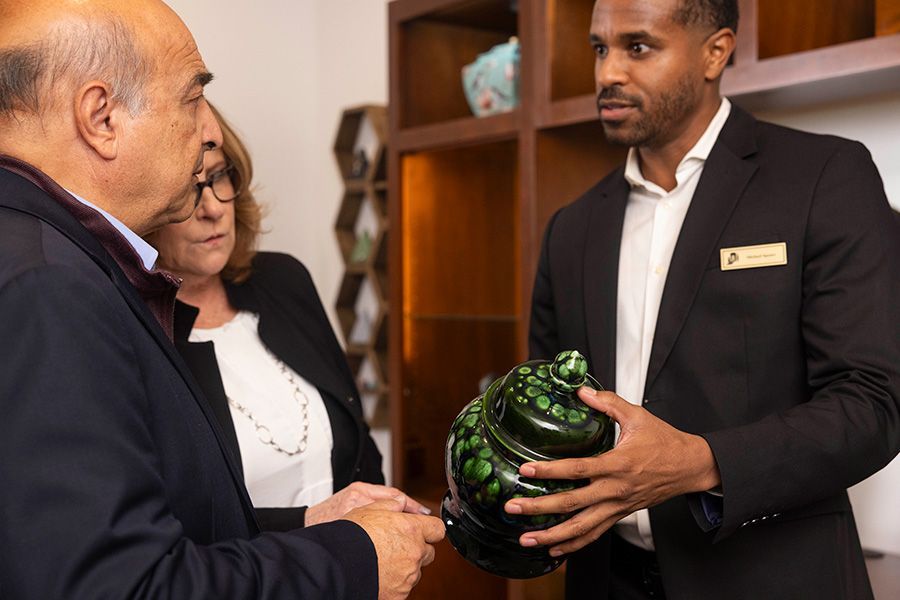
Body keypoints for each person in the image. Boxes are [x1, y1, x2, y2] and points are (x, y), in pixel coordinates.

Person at [0, 1, 443, 598]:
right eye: (192, 97)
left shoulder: (51, 254)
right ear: (101, 117)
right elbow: (124, 584)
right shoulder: (51, 285)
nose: (210, 129)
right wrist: (353, 560)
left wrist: (313, 523)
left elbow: (157, 525)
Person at [505, 0, 900, 598]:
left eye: (638, 47)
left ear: (716, 51)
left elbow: (874, 403)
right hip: (607, 583)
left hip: (773, 579)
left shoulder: (825, 176)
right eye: (599, 48)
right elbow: (549, 402)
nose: (607, 72)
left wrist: (699, 460)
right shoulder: (572, 227)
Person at [146, 103, 427, 530]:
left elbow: (358, 444)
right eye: (189, 190)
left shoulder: (282, 279)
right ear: (144, 212)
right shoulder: (138, 328)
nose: (213, 208)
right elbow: (175, 526)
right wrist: (311, 522)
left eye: (219, 176)